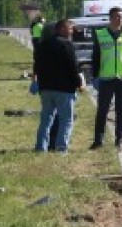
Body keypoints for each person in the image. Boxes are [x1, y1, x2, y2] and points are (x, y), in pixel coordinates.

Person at [90, 6, 122, 150]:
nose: (120, 19)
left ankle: (119, 140)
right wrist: (94, 76)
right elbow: (95, 57)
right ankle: (98, 140)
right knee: (102, 110)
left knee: (121, 110)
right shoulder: (101, 34)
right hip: (106, 78)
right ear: (111, 18)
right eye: (117, 17)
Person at [33, 19, 85, 152]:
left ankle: (41, 147)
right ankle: (61, 148)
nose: (72, 32)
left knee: (46, 119)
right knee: (66, 120)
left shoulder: (42, 44)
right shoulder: (67, 44)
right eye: (70, 29)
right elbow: (72, 67)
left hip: (46, 88)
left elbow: (37, 65)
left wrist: (37, 82)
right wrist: (78, 84)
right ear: (62, 29)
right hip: (64, 89)